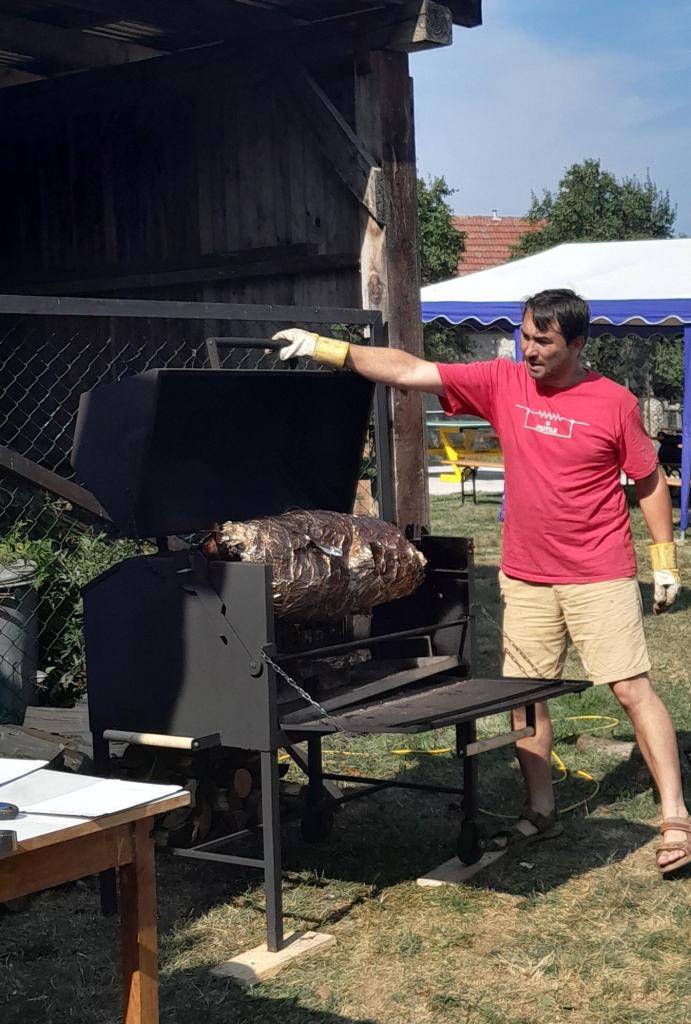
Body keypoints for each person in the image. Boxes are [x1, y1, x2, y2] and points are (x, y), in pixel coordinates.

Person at [273, 289, 691, 875]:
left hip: (598, 570)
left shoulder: (614, 402)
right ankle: (539, 810)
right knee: (526, 696)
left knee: (629, 689)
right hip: (525, 574)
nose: (530, 349)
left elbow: (646, 480)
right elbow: (411, 369)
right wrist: (328, 348)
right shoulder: (504, 381)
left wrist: (664, 556)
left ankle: (675, 816)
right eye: (525, 335)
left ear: (577, 343)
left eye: (544, 341)